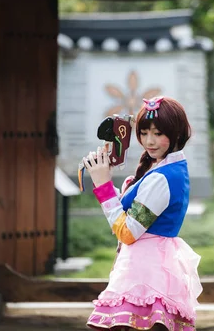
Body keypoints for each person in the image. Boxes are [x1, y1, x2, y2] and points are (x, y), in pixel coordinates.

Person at [82, 96, 203, 331]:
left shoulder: (161, 177)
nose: (149, 141)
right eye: (144, 132)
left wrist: (103, 187)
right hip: (149, 268)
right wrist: (105, 178)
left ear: (177, 134)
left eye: (158, 133)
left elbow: (127, 232)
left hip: (145, 275)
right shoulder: (164, 169)